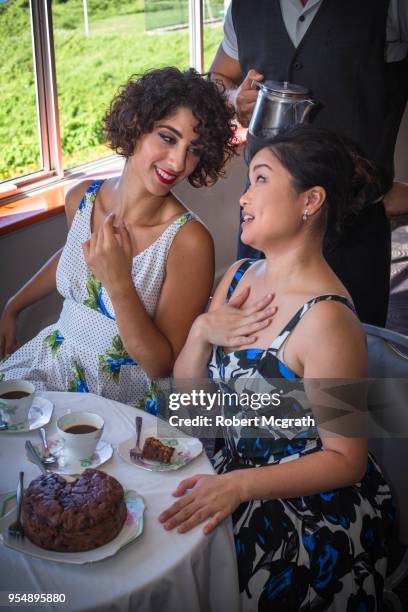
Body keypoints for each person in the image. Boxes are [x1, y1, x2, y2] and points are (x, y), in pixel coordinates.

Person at [159, 126, 395, 610]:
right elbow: (189, 409)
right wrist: (202, 330)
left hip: (303, 505)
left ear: (310, 200)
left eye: (260, 179)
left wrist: (236, 487)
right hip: (227, 467)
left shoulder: (328, 319)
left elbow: (345, 461)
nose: (243, 197)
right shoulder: (239, 276)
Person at [0, 67, 236, 407]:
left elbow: (160, 365)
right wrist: (14, 305)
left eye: (194, 150)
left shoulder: (189, 240)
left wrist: (120, 282)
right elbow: (76, 256)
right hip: (54, 362)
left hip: (124, 396)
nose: (179, 161)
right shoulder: (80, 197)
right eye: (168, 138)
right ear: (137, 125)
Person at [209, 0, 408, 327]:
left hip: (353, 228)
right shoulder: (243, 7)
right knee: (248, 352)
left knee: (348, 357)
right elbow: (218, 76)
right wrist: (232, 99)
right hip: (262, 219)